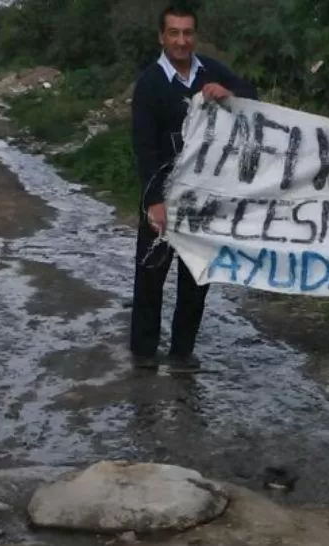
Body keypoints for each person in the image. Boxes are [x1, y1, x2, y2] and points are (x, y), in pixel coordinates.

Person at [129, 3, 257, 373]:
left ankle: (182, 353)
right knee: (151, 275)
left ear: (194, 36)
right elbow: (144, 146)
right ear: (162, 36)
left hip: (204, 199)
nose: (181, 41)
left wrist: (228, 92)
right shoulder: (150, 83)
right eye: (174, 33)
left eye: (187, 33)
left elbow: (253, 96)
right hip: (164, 196)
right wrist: (153, 200)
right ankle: (143, 352)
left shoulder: (211, 71)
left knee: (195, 278)